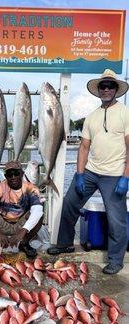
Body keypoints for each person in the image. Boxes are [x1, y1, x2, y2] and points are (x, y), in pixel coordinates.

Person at [48, 69, 129, 275]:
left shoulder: (125, 112)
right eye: (103, 86)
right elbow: (84, 147)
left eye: (110, 86)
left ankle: (115, 259)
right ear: (98, 90)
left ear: (116, 90)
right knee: (69, 204)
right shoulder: (91, 117)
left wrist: (125, 177)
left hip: (114, 174)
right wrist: (80, 173)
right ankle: (65, 243)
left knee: (116, 219)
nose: (106, 89)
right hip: (91, 171)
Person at [0, 160, 44, 259]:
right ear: (5, 176)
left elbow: (37, 210)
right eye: (9, 174)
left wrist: (23, 230)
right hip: (2, 222)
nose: (13, 177)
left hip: (21, 223)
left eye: (16, 173)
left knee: (39, 214)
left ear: (22, 174)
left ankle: (24, 244)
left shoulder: (31, 188)